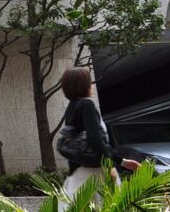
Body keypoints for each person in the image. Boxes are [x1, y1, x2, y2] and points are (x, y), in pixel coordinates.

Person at [59, 67, 140, 198]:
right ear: (83, 85)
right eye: (89, 82)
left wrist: (122, 161)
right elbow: (95, 139)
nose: (91, 85)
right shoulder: (86, 104)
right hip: (96, 172)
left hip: (79, 172)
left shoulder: (71, 107)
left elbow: (81, 143)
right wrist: (109, 166)